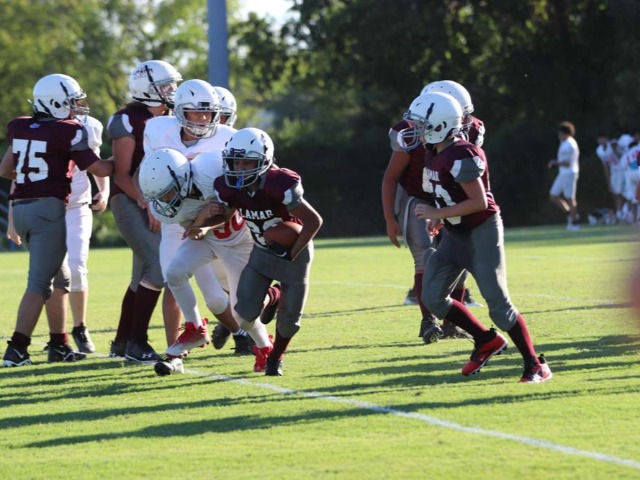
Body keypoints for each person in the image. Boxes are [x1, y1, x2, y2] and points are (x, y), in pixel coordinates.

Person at [402, 91, 552, 383]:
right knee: (432, 297)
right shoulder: (433, 152)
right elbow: (450, 195)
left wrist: (438, 212)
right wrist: (441, 217)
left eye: (421, 124)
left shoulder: (462, 153)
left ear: (440, 125)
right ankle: (486, 340)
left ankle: (535, 365)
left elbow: (479, 202)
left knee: (498, 304)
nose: (416, 130)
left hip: (481, 232)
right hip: (455, 234)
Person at [140, 79, 277, 373]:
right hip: (201, 233)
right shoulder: (159, 139)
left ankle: (265, 347)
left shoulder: (213, 164)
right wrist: (200, 219)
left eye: (208, 112)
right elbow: (190, 222)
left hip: (234, 235)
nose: (203, 119)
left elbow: (241, 191)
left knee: (242, 310)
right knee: (173, 272)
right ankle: (194, 327)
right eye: (196, 112)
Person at [0, 73, 114, 366]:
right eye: (72, 102)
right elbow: (101, 169)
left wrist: (37, 175)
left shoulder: (20, 126)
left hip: (22, 208)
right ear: (55, 102)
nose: (77, 107)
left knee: (61, 280)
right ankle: (17, 349)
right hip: (47, 211)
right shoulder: (67, 131)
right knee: (40, 283)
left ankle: (59, 344)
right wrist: (127, 158)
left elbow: (5, 170)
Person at [212, 128, 323, 376]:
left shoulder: (278, 183)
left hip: (295, 249)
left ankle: (275, 358)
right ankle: (274, 296)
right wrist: (203, 225)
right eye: (236, 162)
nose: (240, 168)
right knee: (244, 316)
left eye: (247, 163)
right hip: (262, 251)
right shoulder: (229, 186)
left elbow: (314, 221)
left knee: (290, 321)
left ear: (264, 160)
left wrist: (291, 254)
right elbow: (226, 215)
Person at [383, 80, 481, 344]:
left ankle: (452, 324)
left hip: (451, 198)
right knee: (424, 257)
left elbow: (474, 181)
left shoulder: (471, 131)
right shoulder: (409, 136)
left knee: (461, 260)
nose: (417, 126)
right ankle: (428, 322)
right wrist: (390, 218)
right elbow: (391, 176)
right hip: (417, 196)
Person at [107, 59, 182, 363]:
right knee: (158, 268)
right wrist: (147, 202)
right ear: (148, 89)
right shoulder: (128, 120)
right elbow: (121, 175)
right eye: (167, 86)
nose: (173, 90)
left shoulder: (172, 117)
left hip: (157, 202)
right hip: (130, 199)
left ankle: (122, 342)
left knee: (142, 276)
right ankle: (137, 343)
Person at [548, 121, 580, 230]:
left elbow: (567, 163)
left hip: (569, 173)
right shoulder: (564, 143)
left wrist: (554, 162)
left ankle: (575, 222)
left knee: (570, 198)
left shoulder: (570, 144)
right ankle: (569, 214)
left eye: (560, 133)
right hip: (562, 173)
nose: (559, 135)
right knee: (553, 195)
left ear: (565, 133)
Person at [596, 134, 624, 222]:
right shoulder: (599, 150)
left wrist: (614, 149)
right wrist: (608, 180)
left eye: (603, 138)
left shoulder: (614, 144)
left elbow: (622, 156)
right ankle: (619, 213)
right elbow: (605, 166)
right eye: (600, 138)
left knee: (621, 193)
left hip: (622, 170)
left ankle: (621, 214)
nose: (601, 140)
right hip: (613, 172)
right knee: (615, 193)